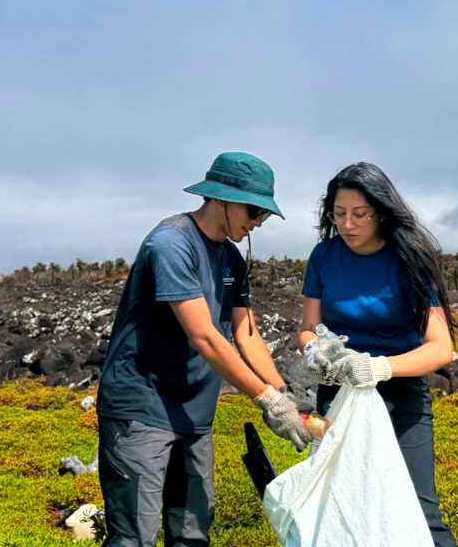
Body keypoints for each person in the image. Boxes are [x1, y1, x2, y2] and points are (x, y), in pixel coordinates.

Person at [97, 152, 311, 547]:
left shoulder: (232, 258)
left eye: (264, 215)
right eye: (254, 210)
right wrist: (265, 399)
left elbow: (246, 334)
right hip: (141, 408)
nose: (258, 222)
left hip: (194, 415)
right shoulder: (171, 243)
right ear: (221, 198)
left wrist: (284, 395)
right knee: (134, 538)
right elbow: (205, 336)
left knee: (193, 534)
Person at [298, 162, 458, 547]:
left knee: (421, 511)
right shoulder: (324, 256)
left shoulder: (410, 259)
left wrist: (379, 367)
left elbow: (441, 348)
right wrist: (315, 350)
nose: (347, 224)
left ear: (382, 213)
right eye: (339, 214)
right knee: (341, 507)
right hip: (338, 393)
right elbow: (308, 327)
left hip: (401, 394)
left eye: (360, 214)